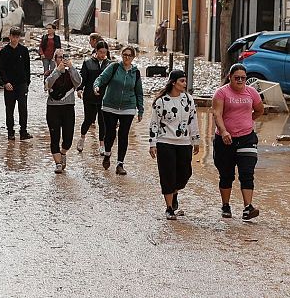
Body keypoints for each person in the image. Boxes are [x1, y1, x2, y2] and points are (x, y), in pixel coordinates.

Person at [211, 63, 265, 220]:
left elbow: (260, 109)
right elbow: (217, 114)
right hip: (225, 140)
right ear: (230, 78)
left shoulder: (251, 92)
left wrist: (249, 119)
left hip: (247, 138)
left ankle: (248, 207)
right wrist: (224, 131)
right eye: (237, 78)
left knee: (247, 173)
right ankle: (226, 205)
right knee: (226, 174)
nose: (240, 81)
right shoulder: (221, 93)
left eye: (243, 78)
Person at [148, 70, 200, 220]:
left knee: (185, 173)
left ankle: (174, 191)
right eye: (182, 81)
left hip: (184, 143)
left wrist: (196, 140)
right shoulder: (161, 101)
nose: (185, 84)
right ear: (173, 82)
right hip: (165, 142)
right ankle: (169, 207)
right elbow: (154, 124)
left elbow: (193, 120)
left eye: (185, 81)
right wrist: (152, 144)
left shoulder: (189, 99)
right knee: (167, 174)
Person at [93, 46, 144, 174]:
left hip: (128, 107)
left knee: (123, 135)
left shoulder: (136, 72)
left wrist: (140, 109)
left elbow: (139, 92)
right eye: (125, 55)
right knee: (110, 133)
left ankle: (120, 164)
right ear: (121, 55)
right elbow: (101, 78)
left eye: (129, 55)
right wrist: (96, 86)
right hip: (110, 105)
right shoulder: (114, 67)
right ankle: (108, 153)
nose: (127, 57)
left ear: (133, 57)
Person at [45, 49, 82, 173]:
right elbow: (47, 85)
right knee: (54, 137)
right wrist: (57, 71)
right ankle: (58, 163)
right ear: (55, 59)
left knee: (68, 138)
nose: (62, 59)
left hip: (68, 107)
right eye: (59, 57)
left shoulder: (71, 73)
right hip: (53, 108)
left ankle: (63, 152)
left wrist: (71, 68)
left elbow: (79, 82)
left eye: (64, 57)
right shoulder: (50, 72)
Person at [0, 26, 32, 141]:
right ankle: (10, 132)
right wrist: (5, 82)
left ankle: (23, 131)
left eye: (17, 37)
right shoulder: (4, 51)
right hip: (9, 85)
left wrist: (27, 82)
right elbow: (1, 69)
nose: (15, 39)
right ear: (10, 37)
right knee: (9, 109)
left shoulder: (24, 51)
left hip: (22, 84)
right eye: (13, 37)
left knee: (23, 109)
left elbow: (27, 67)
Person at [76, 40, 110, 152]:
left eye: (104, 52)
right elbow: (83, 78)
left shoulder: (109, 64)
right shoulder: (88, 63)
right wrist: (80, 89)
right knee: (88, 119)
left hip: (104, 97)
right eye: (100, 52)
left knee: (103, 121)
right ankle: (82, 138)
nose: (102, 55)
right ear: (96, 51)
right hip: (89, 96)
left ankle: (101, 144)